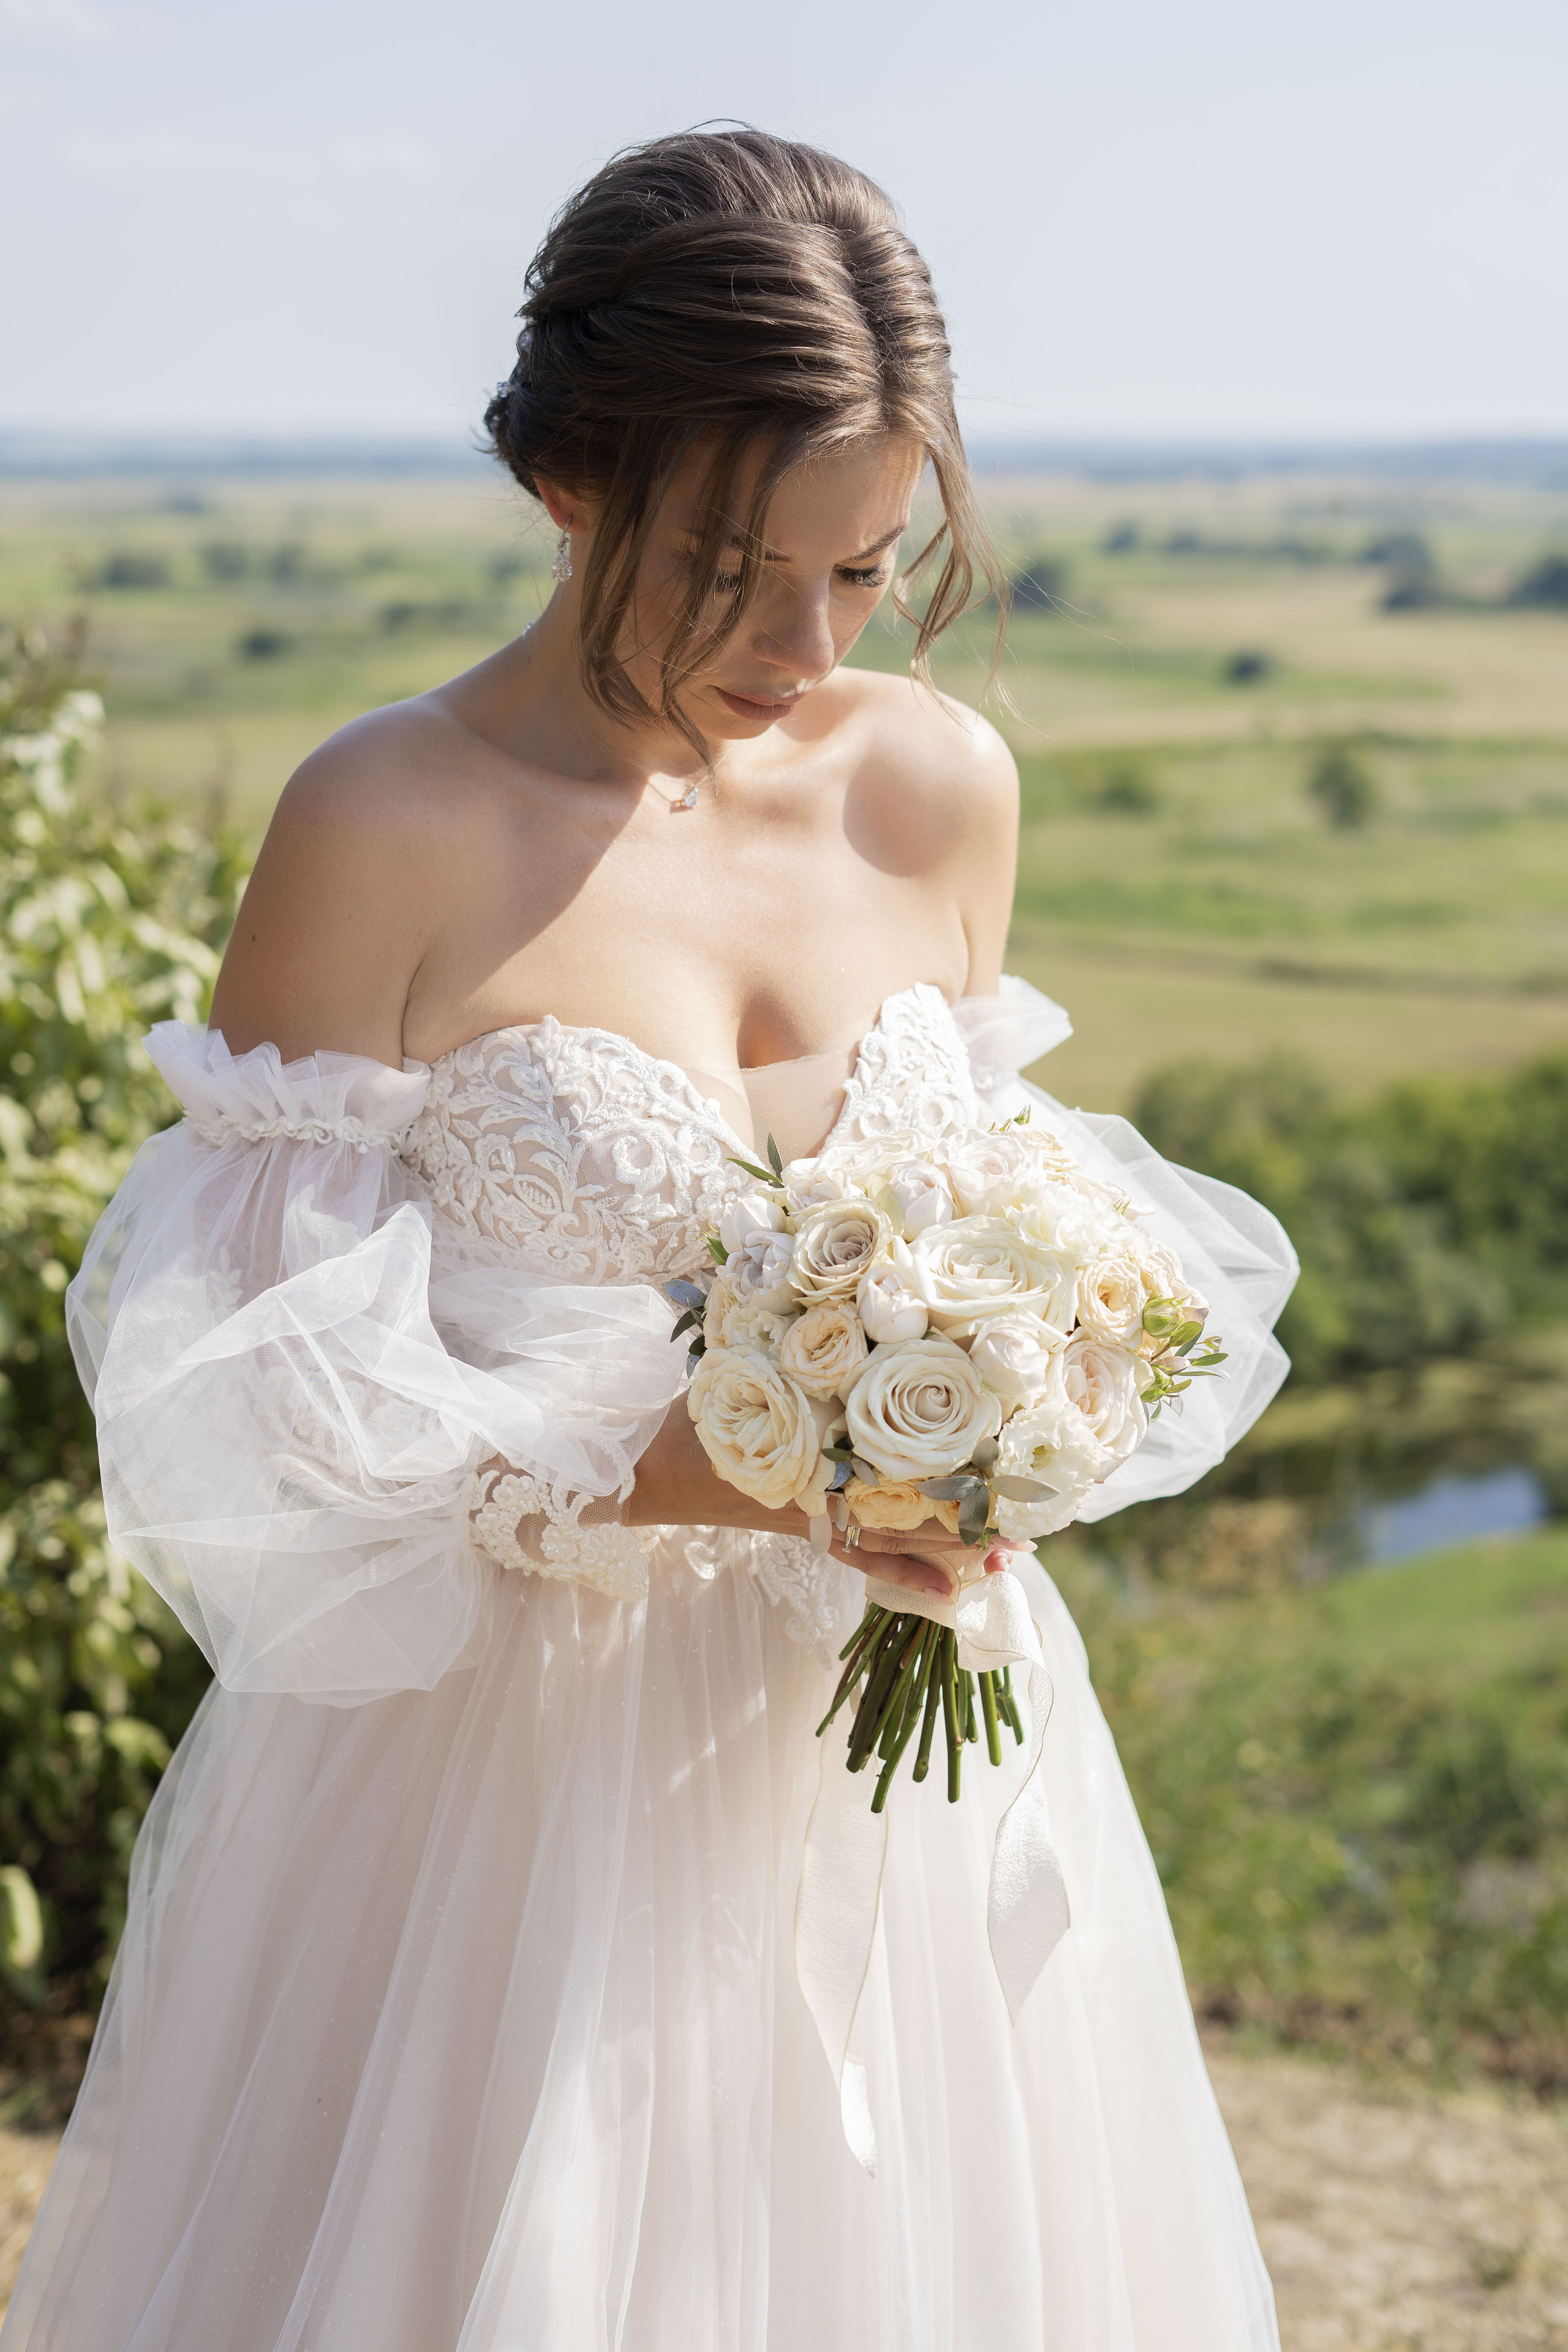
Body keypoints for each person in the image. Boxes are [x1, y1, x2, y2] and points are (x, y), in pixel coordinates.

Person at [2, 129, 1295, 2351]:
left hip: (922, 1757)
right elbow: (269, 1415)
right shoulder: (382, 825)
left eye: (865, 568)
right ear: (568, 481)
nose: (802, 647)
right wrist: (748, 1461)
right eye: (730, 567)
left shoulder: (938, 788)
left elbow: (992, 1223)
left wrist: (999, 1415)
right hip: (506, 1811)